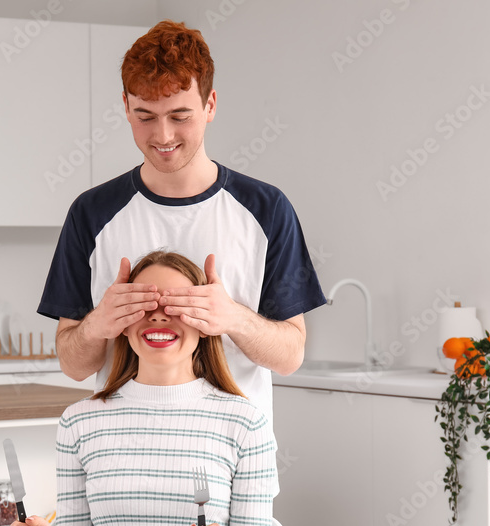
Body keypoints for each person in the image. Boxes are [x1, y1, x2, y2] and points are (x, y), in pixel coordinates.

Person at [38, 20, 326, 421]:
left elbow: (290, 356)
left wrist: (233, 318)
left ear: (209, 105)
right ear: (125, 106)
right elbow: (74, 365)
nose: (162, 135)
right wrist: (98, 324)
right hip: (124, 449)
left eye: (179, 115)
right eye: (145, 115)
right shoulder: (91, 212)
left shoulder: (267, 209)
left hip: (233, 458)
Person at [13, 251, 278, 526]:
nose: (159, 316)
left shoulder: (245, 423)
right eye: (144, 305)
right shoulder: (78, 422)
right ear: (122, 323)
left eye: (177, 305)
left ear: (205, 323)